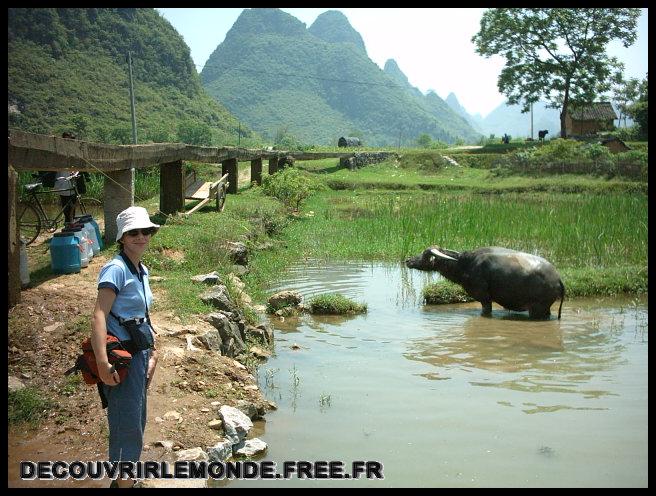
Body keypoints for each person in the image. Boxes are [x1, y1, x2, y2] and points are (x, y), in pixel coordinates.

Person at [91, 206, 160, 488]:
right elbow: (98, 315)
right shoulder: (116, 268)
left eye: (145, 231)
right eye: (133, 232)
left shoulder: (141, 269)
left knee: (136, 420)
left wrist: (153, 352)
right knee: (126, 424)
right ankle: (123, 485)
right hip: (121, 359)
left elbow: (142, 314)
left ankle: (125, 481)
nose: (141, 237)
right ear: (122, 237)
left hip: (140, 355)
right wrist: (102, 364)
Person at [54, 132, 88, 224]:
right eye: (65, 140)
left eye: (69, 140)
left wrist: (75, 172)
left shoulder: (75, 152)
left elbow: (78, 166)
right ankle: (68, 223)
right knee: (65, 204)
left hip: (72, 181)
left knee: (73, 204)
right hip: (62, 181)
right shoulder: (59, 151)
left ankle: (71, 222)